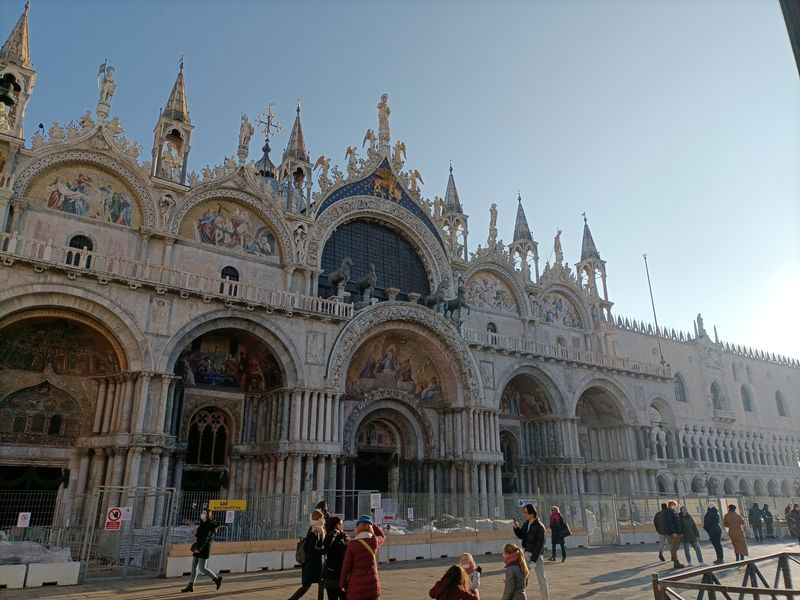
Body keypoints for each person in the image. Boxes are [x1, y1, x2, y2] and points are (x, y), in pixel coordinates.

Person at [339, 514, 386, 600]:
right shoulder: (374, 541)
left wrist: (342, 584)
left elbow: (346, 568)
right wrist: (372, 524)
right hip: (372, 586)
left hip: (356, 588)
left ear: (358, 528)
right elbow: (382, 536)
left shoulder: (352, 544)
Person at [181, 508, 223, 593]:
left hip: (204, 548)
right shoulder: (202, 523)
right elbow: (200, 535)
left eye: (204, 513)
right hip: (198, 546)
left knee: (202, 568)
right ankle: (190, 585)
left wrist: (198, 549)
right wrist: (195, 534)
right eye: (202, 513)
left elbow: (206, 538)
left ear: (208, 515)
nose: (202, 514)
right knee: (194, 566)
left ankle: (216, 579)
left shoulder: (209, 524)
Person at [512, 504, 549, 600]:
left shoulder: (540, 526)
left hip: (536, 557)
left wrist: (533, 560)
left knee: (541, 580)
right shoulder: (526, 524)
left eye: (525, 512)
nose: (524, 514)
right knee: (522, 578)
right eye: (523, 512)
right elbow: (521, 535)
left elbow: (539, 545)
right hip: (526, 554)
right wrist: (516, 528)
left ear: (532, 513)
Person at [288, 509, 326, 600]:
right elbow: (311, 549)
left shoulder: (313, 528)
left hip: (311, 564)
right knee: (316, 584)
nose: (323, 520)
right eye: (322, 518)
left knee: (310, 585)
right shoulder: (315, 531)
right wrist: (324, 550)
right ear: (318, 519)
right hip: (313, 564)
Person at [322, 516, 349, 600]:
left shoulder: (344, 536)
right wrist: (334, 533)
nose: (342, 526)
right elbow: (326, 545)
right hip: (332, 575)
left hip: (343, 574)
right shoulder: (330, 536)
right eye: (341, 524)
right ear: (335, 525)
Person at [664, 501, 685, 569]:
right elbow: (669, 523)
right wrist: (673, 532)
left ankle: (676, 561)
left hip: (677, 532)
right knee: (674, 547)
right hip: (675, 533)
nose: (675, 506)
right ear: (671, 505)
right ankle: (676, 562)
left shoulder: (673, 512)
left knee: (675, 547)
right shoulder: (669, 512)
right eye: (674, 505)